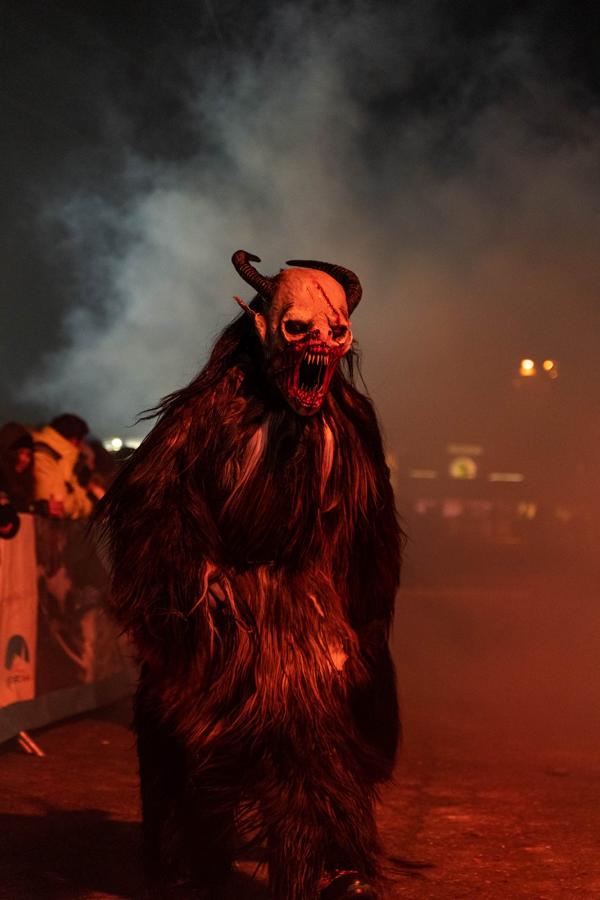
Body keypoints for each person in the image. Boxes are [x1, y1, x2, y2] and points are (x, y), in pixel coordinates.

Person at [97, 251, 403, 900]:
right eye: (298, 330)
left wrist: (363, 621)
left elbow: (370, 531)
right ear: (262, 328)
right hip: (207, 608)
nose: (317, 349)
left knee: (310, 736)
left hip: (300, 612)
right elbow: (149, 508)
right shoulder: (207, 416)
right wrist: (188, 599)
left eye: (335, 335)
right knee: (188, 748)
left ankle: (322, 868)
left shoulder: (346, 424)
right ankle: (186, 864)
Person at [33, 414, 94, 519]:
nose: (81, 447)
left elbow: (78, 498)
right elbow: (59, 504)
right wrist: (83, 505)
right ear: (74, 440)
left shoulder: (62, 457)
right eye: (81, 442)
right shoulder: (43, 456)